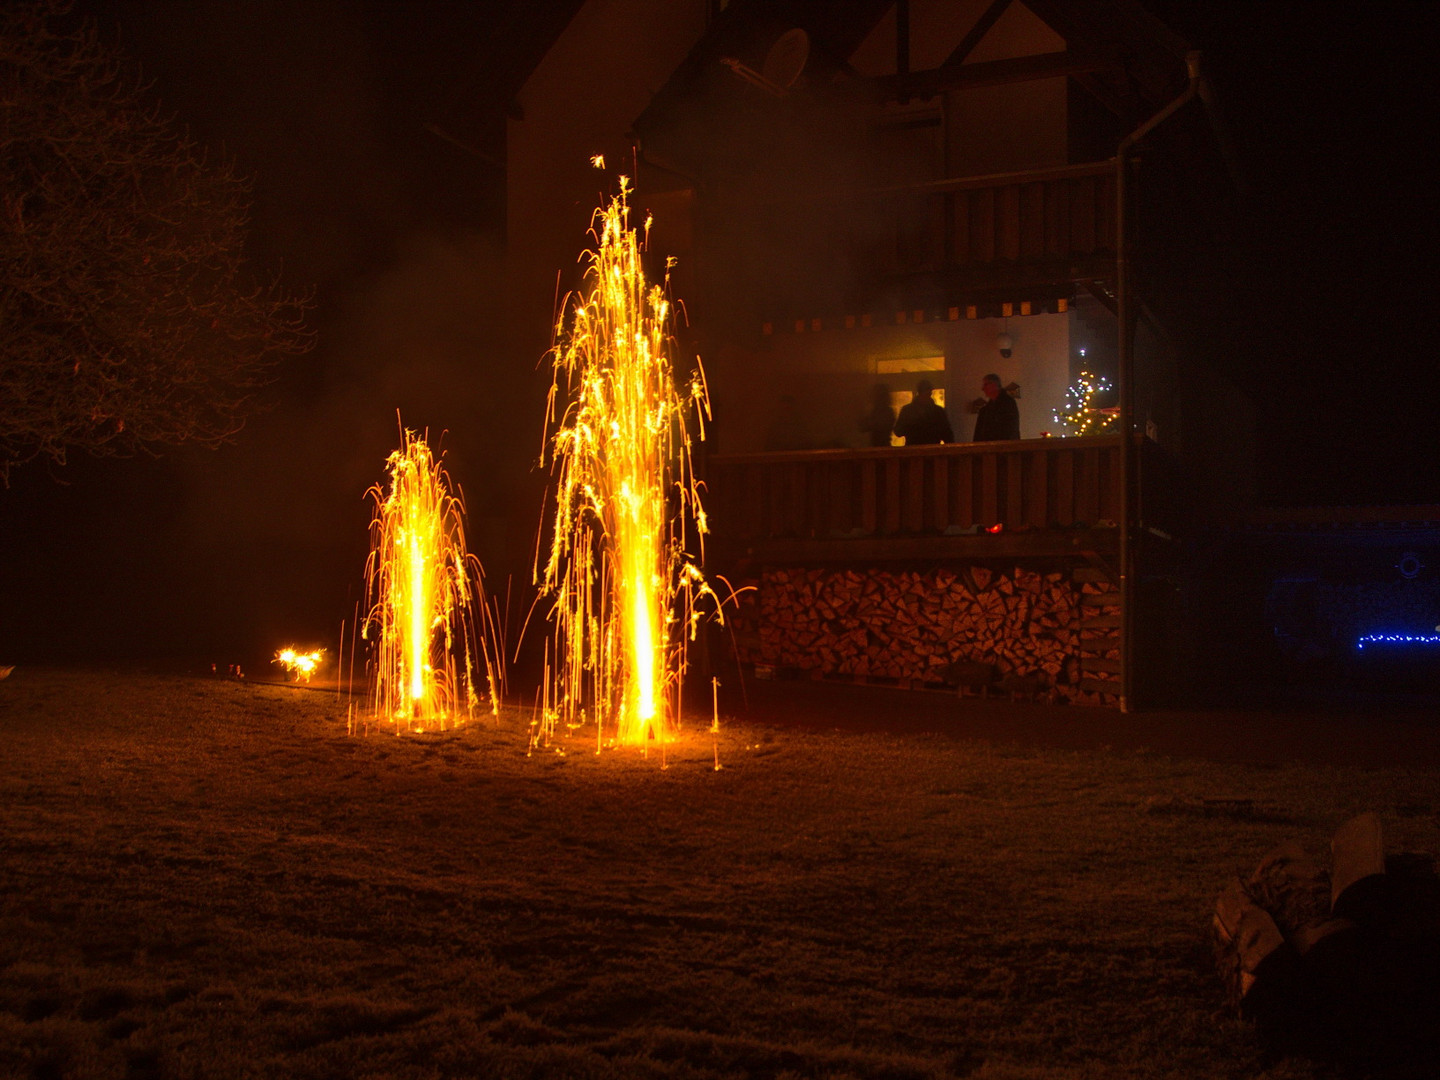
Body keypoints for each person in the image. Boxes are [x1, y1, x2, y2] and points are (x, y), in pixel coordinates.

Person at [893, 378, 954, 446]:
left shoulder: (908, 410)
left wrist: (911, 427)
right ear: (931, 392)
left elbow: (898, 431)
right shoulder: (938, 411)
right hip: (933, 451)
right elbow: (947, 435)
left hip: (913, 451)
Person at [972, 373, 1020, 442]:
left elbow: (1010, 430)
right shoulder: (985, 410)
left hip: (1004, 448)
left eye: (986, 385)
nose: (983, 389)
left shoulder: (1008, 404)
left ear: (994, 384)